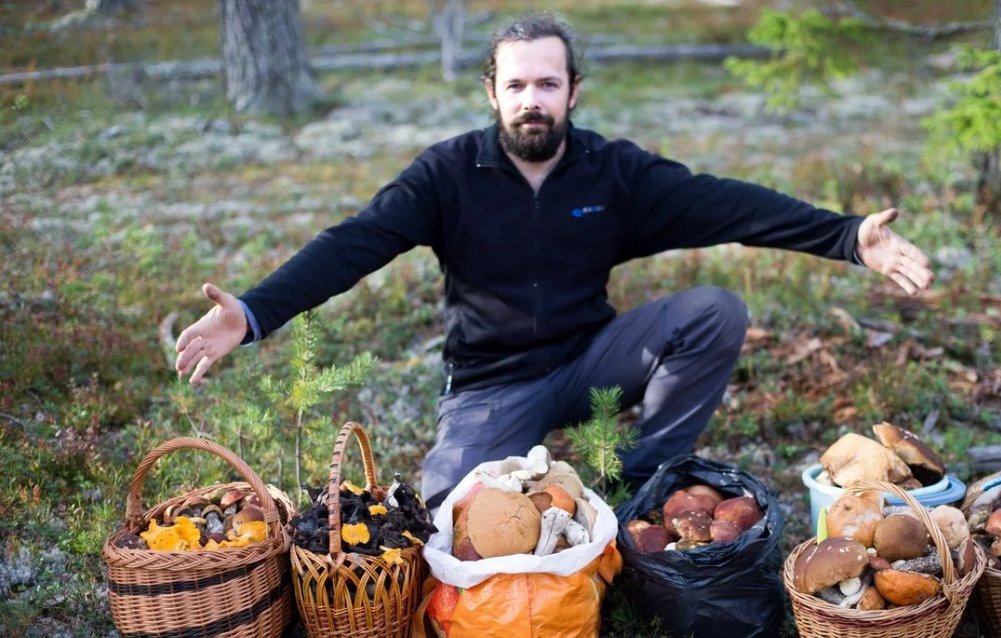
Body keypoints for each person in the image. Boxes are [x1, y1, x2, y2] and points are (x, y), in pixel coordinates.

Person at [175, 13, 934, 509]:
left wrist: (845, 238)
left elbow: (727, 204)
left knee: (714, 312)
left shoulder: (614, 173)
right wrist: (256, 309)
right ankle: (503, 475)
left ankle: (643, 477)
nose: (531, 99)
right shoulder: (445, 176)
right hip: (491, 385)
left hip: (590, 360)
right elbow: (354, 241)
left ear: (573, 90)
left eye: (547, 83)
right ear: (491, 93)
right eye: (515, 85)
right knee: (445, 508)